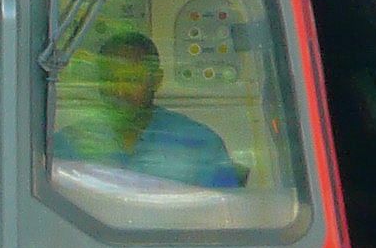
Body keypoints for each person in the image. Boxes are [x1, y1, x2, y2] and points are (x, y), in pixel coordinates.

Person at [52, 29, 242, 187]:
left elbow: (225, 216)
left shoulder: (201, 145)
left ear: (156, 80)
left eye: (131, 79)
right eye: (109, 79)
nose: (119, 91)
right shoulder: (67, 146)